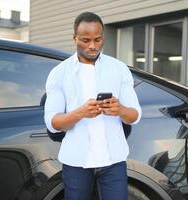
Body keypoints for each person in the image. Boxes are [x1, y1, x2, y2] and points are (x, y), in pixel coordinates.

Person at [44, 11, 141, 200]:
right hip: (76, 162)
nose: (92, 46)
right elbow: (52, 123)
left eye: (97, 39)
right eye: (85, 40)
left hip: (114, 160)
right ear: (74, 38)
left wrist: (120, 110)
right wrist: (79, 113)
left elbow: (135, 115)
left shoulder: (119, 68)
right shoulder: (59, 73)